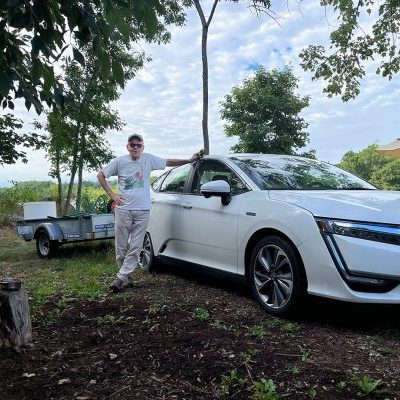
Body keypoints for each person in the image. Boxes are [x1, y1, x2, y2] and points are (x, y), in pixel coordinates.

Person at [97, 133, 200, 292]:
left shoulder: (148, 159)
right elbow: (101, 174)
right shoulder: (119, 162)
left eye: (139, 145)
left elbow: (168, 162)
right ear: (128, 147)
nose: (135, 147)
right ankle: (127, 277)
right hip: (123, 210)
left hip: (143, 210)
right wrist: (112, 195)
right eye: (132, 145)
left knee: (136, 246)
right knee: (121, 247)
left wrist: (189, 160)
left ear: (143, 147)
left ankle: (121, 277)